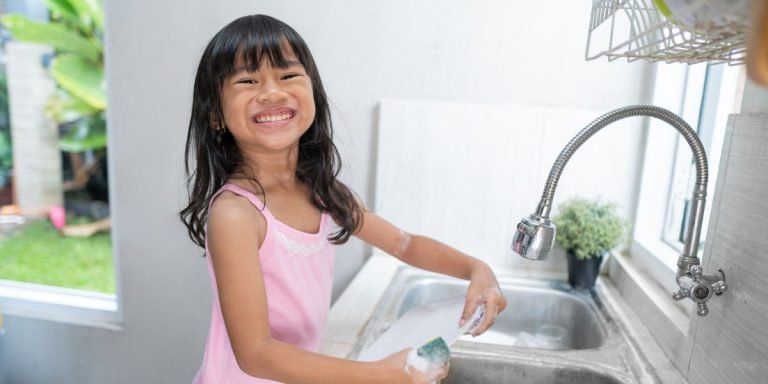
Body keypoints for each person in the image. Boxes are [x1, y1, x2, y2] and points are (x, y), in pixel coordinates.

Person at [179, 14, 507, 384]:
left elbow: (404, 243)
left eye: (288, 76)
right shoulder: (235, 215)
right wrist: (377, 375)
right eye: (247, 81)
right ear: (215, 116)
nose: (272, 91)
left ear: (313, 95)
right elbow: (256, 353)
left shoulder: (321, 191)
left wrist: (476, 269)